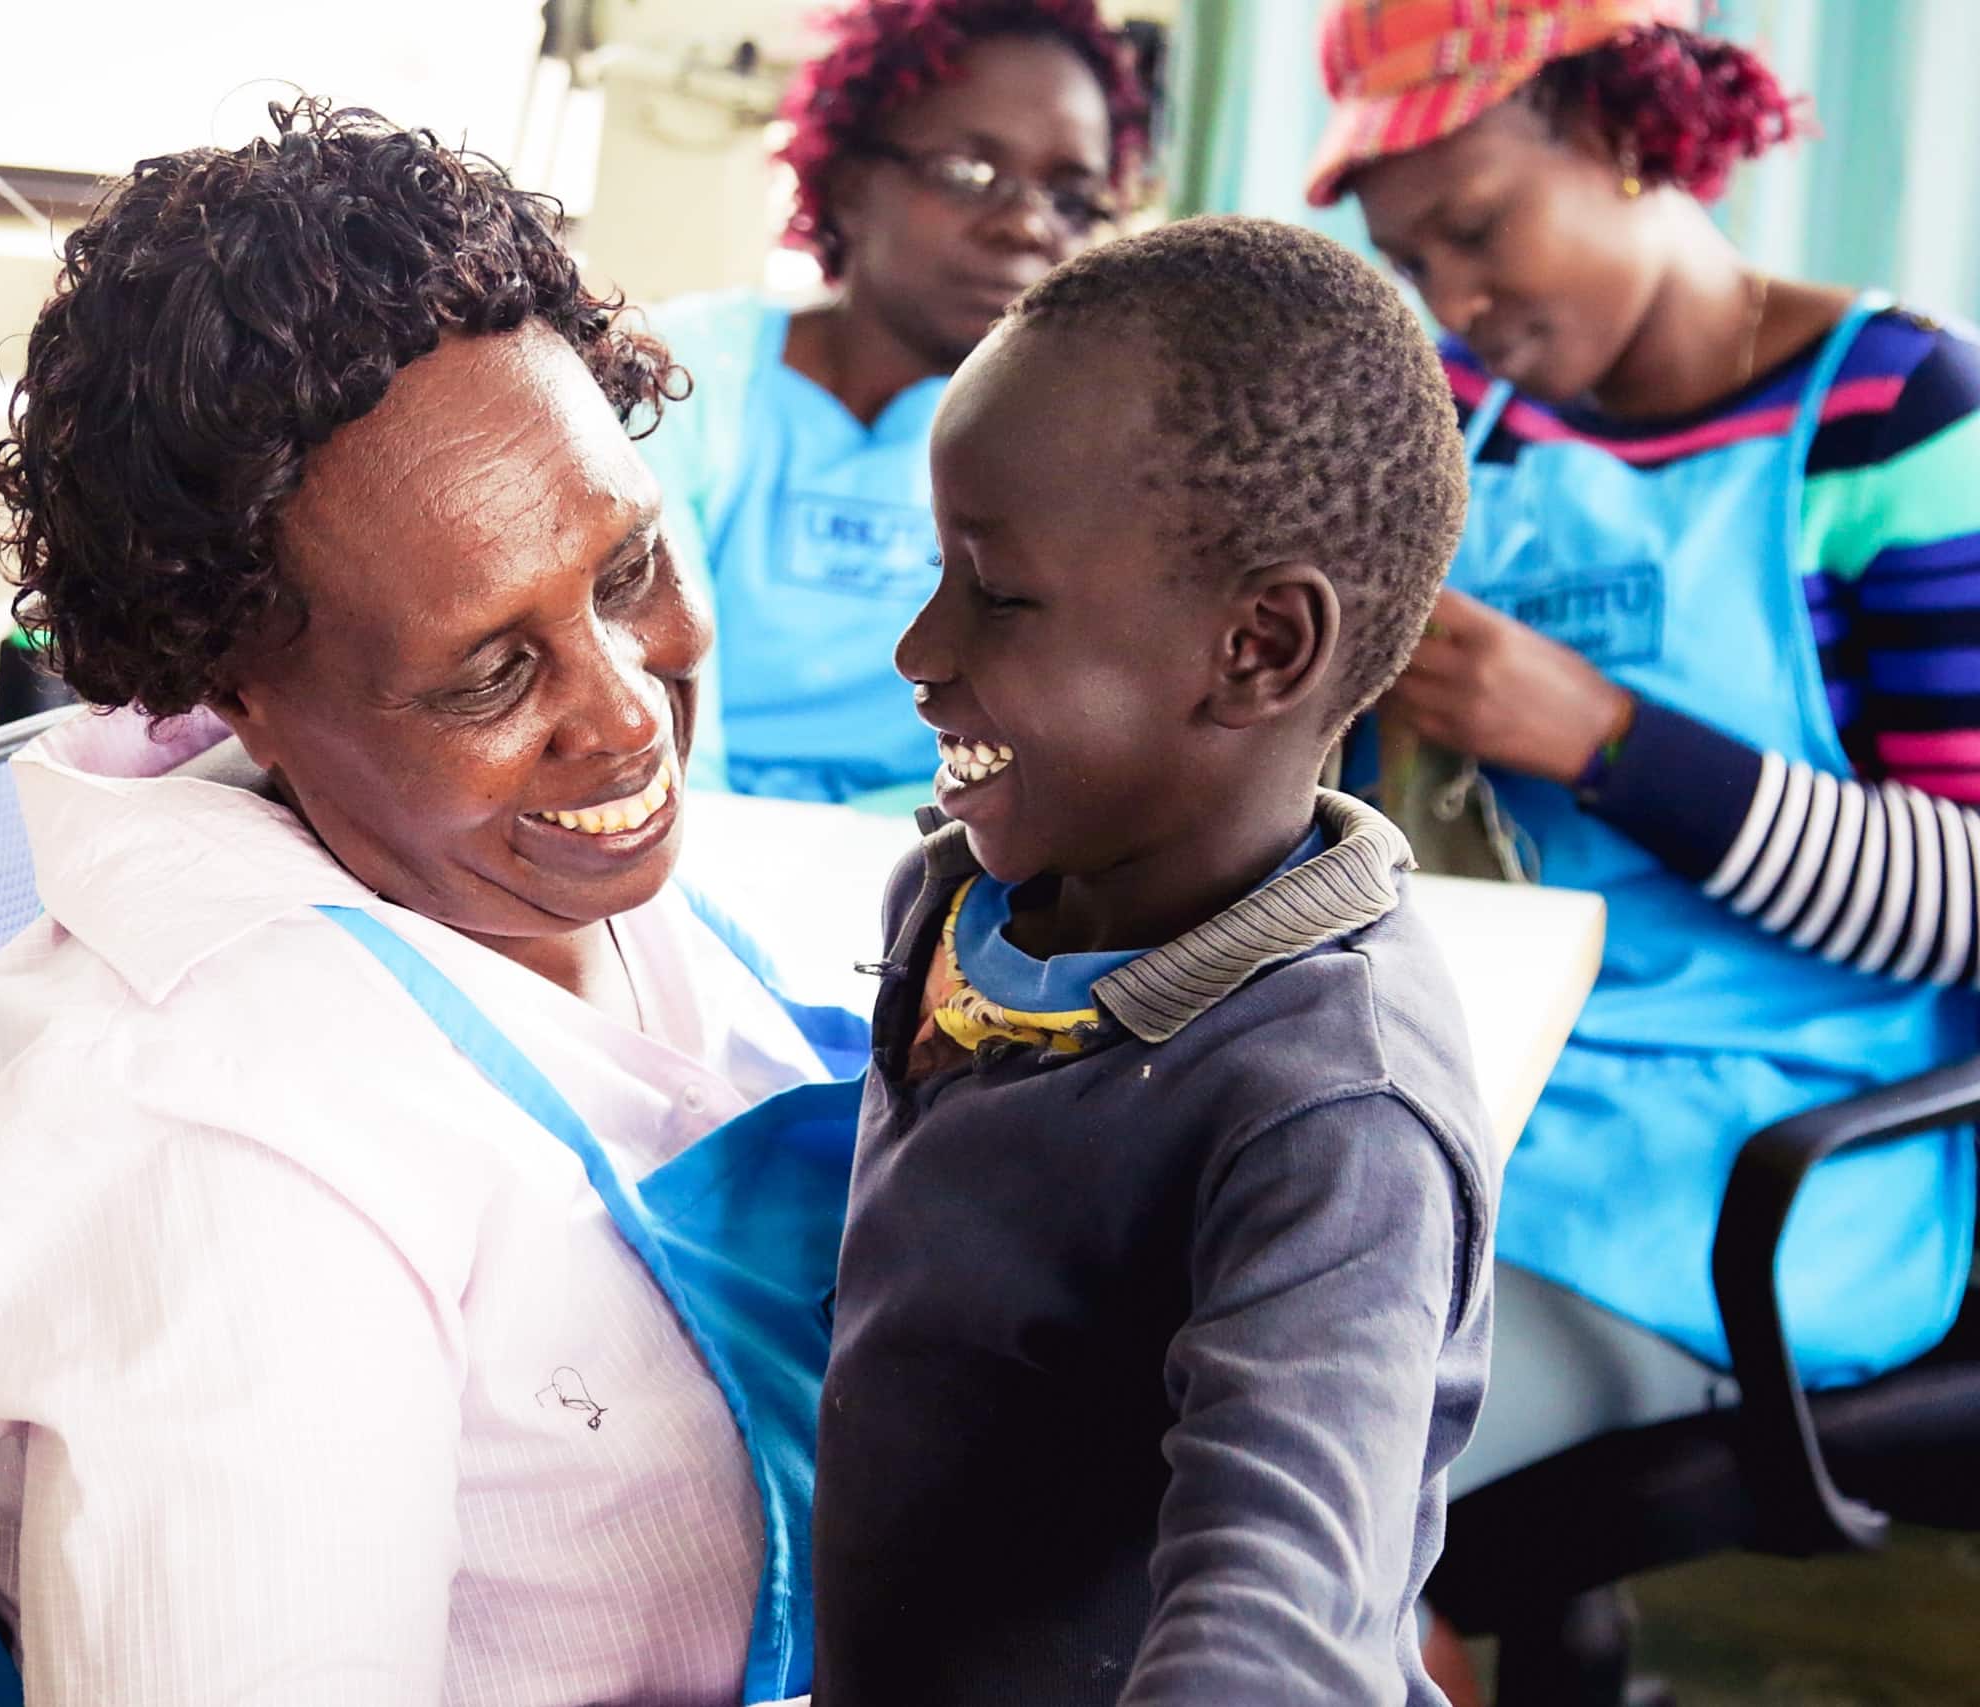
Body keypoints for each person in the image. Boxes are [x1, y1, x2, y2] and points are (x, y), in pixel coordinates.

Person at [0, 100, 866, 1707]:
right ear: (244, 698)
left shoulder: (520, 874)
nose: (629, 714)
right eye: (492, 669)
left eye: (625, 571)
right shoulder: (230, 1170)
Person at [1311, 0, 1980, 1516]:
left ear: (1622, 133)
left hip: (1741, 1182)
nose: (1457, 297)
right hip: (1450, 1104)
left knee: (1293, 1470)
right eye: (1416, 261)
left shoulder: (1901, 415)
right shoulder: (1454, 419)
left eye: (1479, 228)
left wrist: (1605, 741)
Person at [812, 216, 1491, 1704]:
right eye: (939, 569)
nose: (921, 647)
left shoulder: (1334, 1110)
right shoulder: (953, 897)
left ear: (1257, 646)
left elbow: (1276, 1610)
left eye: (998, 591)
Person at [639, 0, 1147, 805]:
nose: (1026, 225)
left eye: (1072, 199)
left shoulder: (1093, 452)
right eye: (970, 174)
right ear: (847, 183)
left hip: (949, 856)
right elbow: (640, 691)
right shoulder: (681, 375)